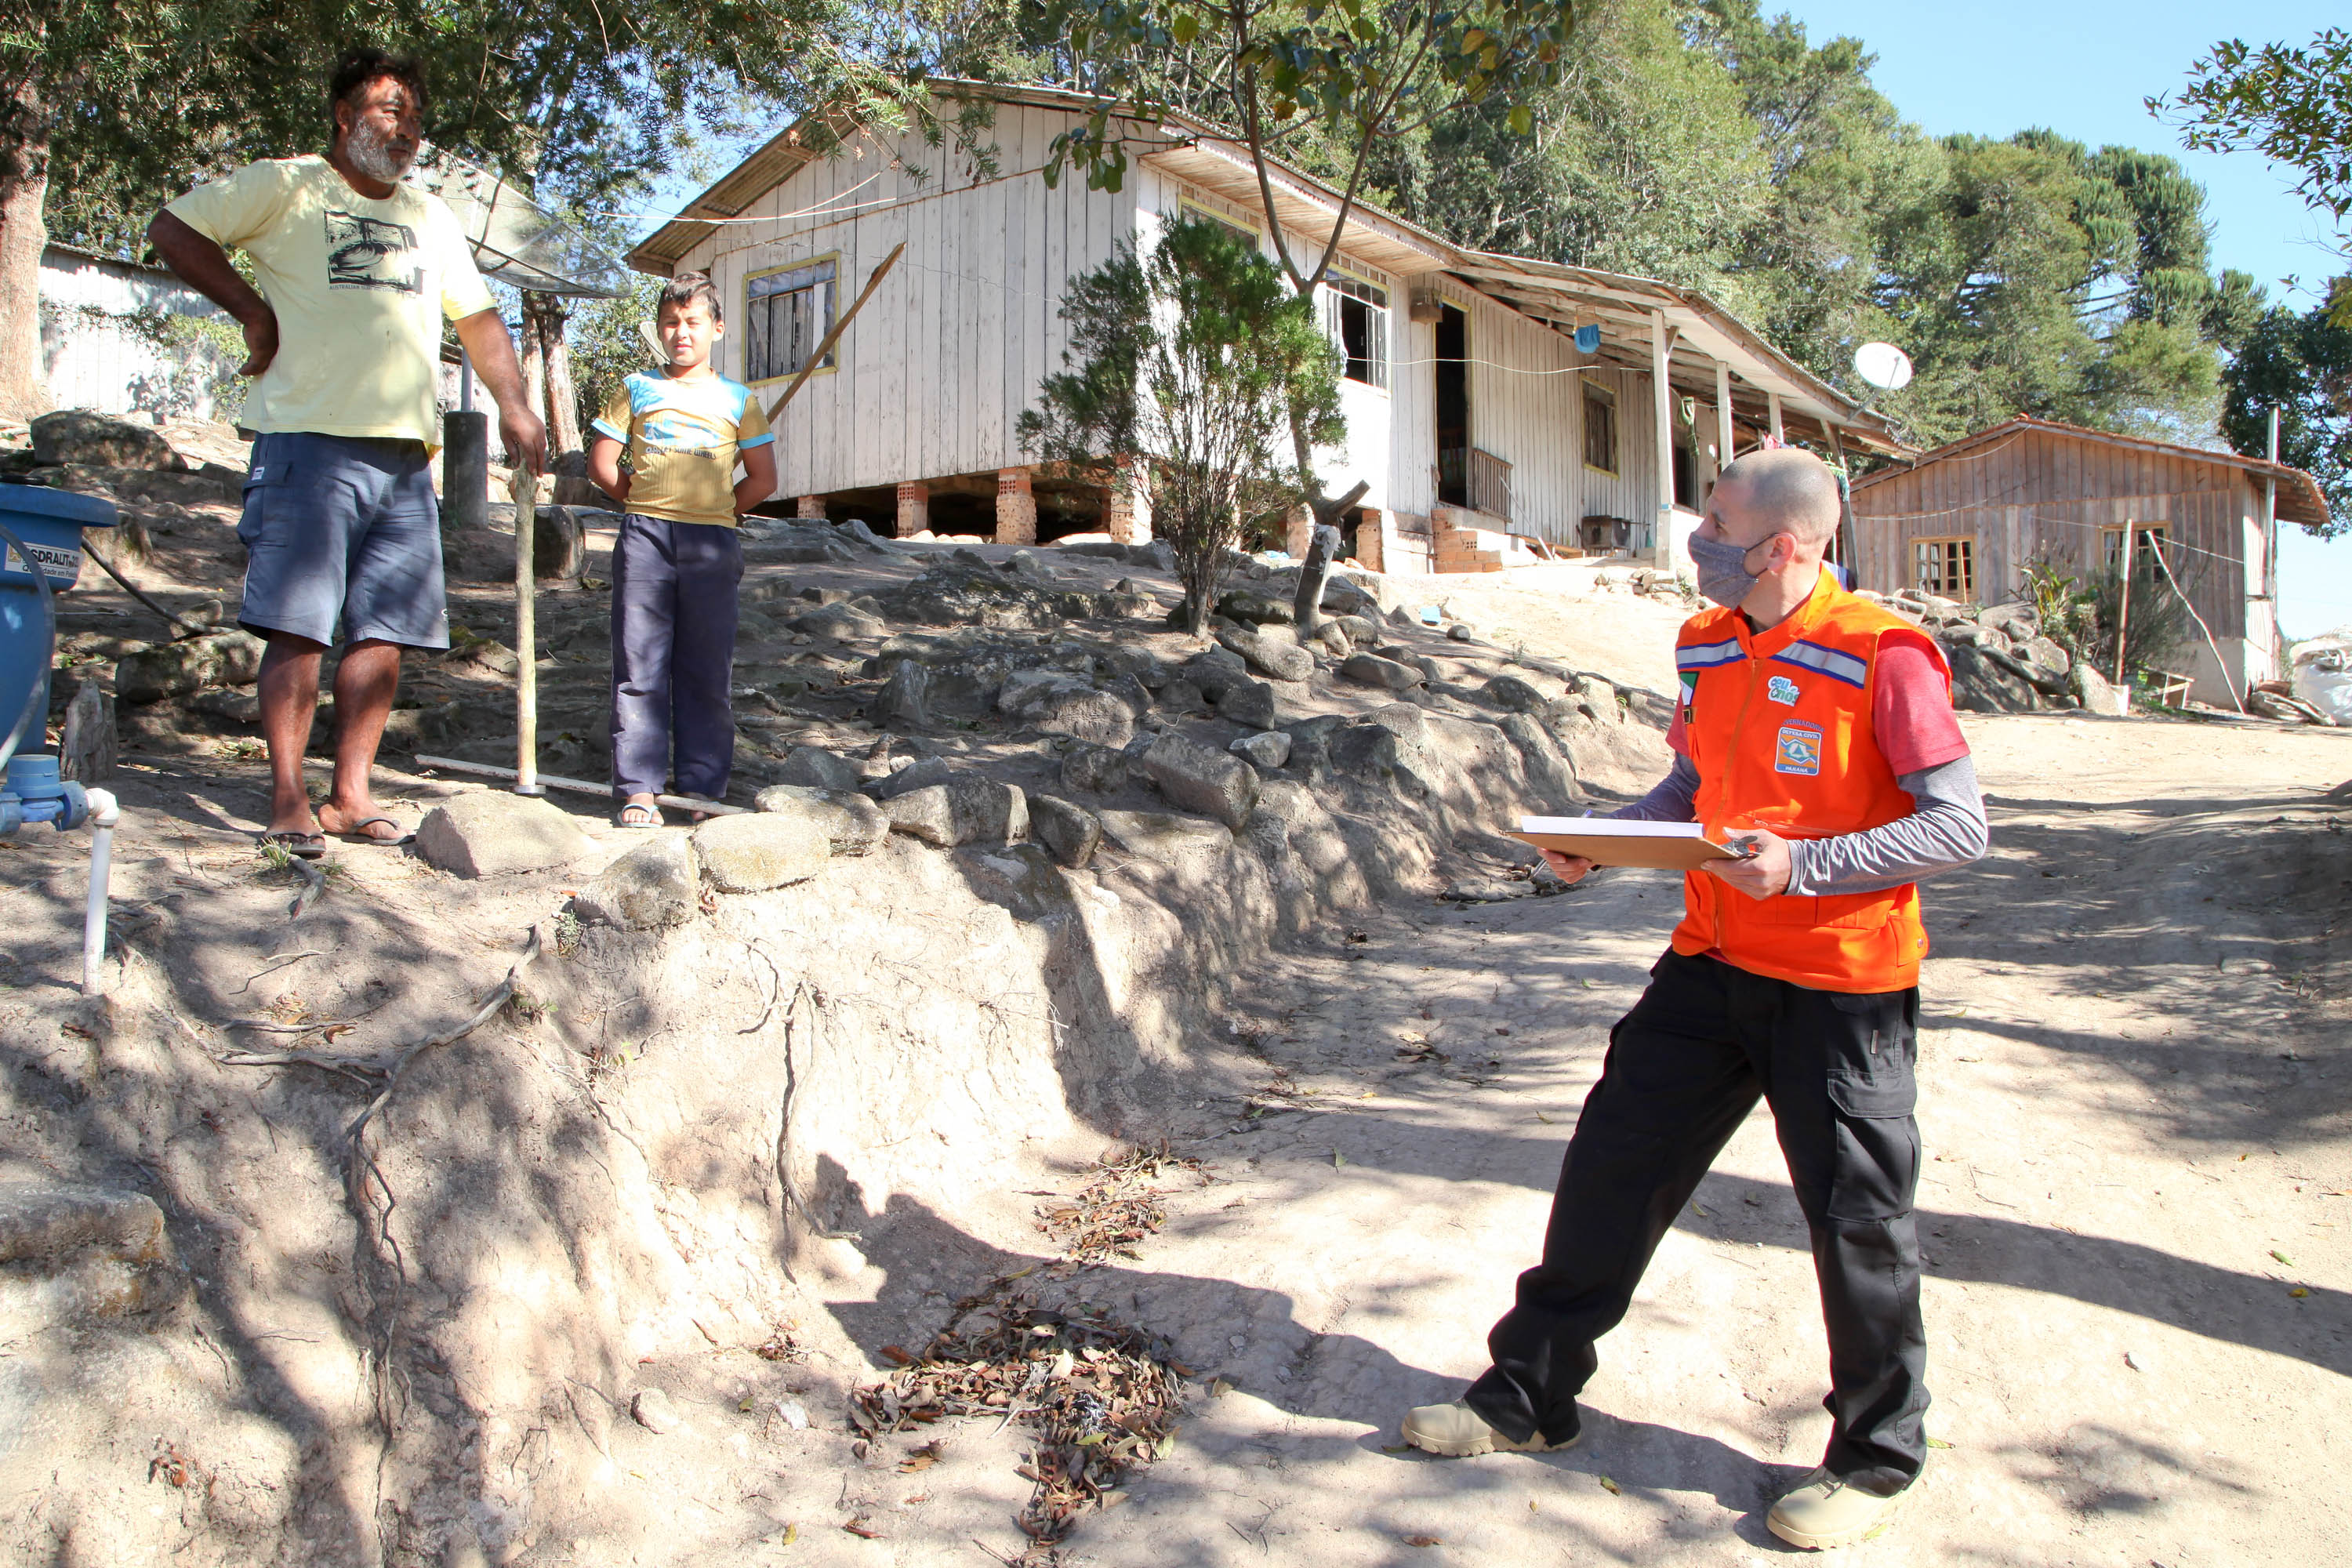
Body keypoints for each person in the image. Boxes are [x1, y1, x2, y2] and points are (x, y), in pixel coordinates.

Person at [1401, 447, 1989, 1552]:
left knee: (1860, 1226)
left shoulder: (1886, 655)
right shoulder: (1706, 644)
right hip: (1712, 962)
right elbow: (1690, 789)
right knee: (1611, 1167)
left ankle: (1874, 1461)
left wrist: (1805, 867)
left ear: (1788, 545)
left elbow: (1959, 825)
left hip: (1840, 987)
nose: (1697, 540)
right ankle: (1527, 1400)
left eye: (1715, 522)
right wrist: (1604, 839)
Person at [149, 48, 546, 856]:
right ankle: (289, 797)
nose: (404, 130)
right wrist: (255, 316)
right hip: (308, 443)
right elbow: (172, 230)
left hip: (404, 456)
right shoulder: (287, 185)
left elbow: (476, 320)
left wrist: (515, 403)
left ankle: (350, 793)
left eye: (414, 117)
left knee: (384, 632)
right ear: (343, 113)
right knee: (298, 628)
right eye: (388, 109)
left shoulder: (431, 217)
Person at [586, 274, 776, 826]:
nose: (681, 333)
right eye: (671, 322)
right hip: (645, 537)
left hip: (711, 544)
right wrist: (639, 503)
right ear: (660, 329)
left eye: (693, 322)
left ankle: (700, 788)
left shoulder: (739, 399)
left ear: (716, 327)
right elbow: (603, 463)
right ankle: (638, 788)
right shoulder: (637, 387)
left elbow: (762, 477)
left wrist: (722, 512)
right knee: (638, 663)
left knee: (705, 669)